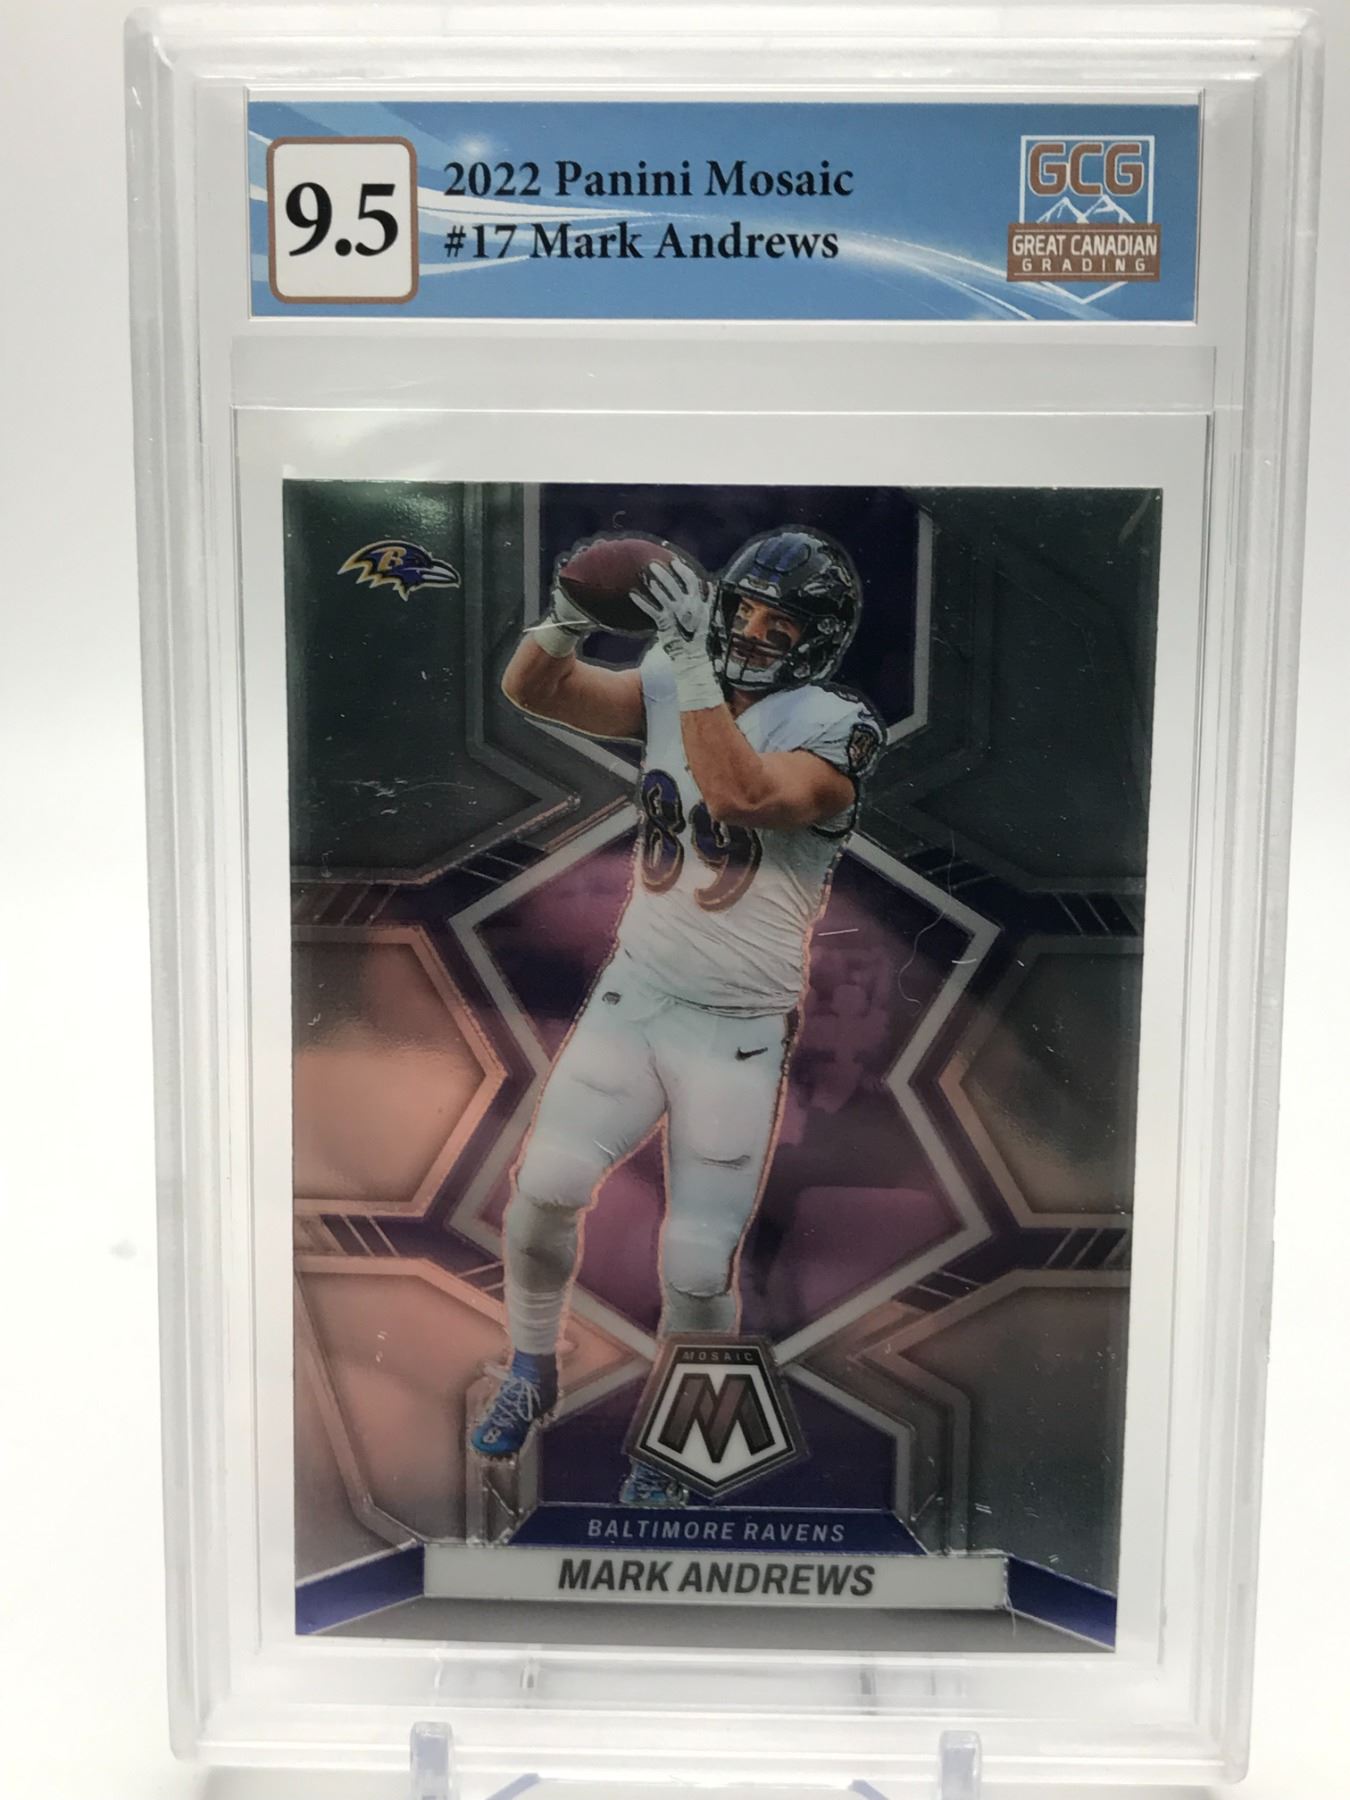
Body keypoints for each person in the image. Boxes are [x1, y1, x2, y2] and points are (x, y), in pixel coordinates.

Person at [471, 528, 884, 1505]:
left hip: (736, 1026)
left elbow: (741, 795)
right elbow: (539, 692)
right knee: (541, 1194)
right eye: (745, 610)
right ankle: (530, 1367)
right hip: (637, 992)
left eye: (780, 624)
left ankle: (676, 1447)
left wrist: (694, 664)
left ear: (819, 642)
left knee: (696, 1263)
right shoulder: (674, 676)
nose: (753, 632)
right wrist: (569, 616)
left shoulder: (836, 727)